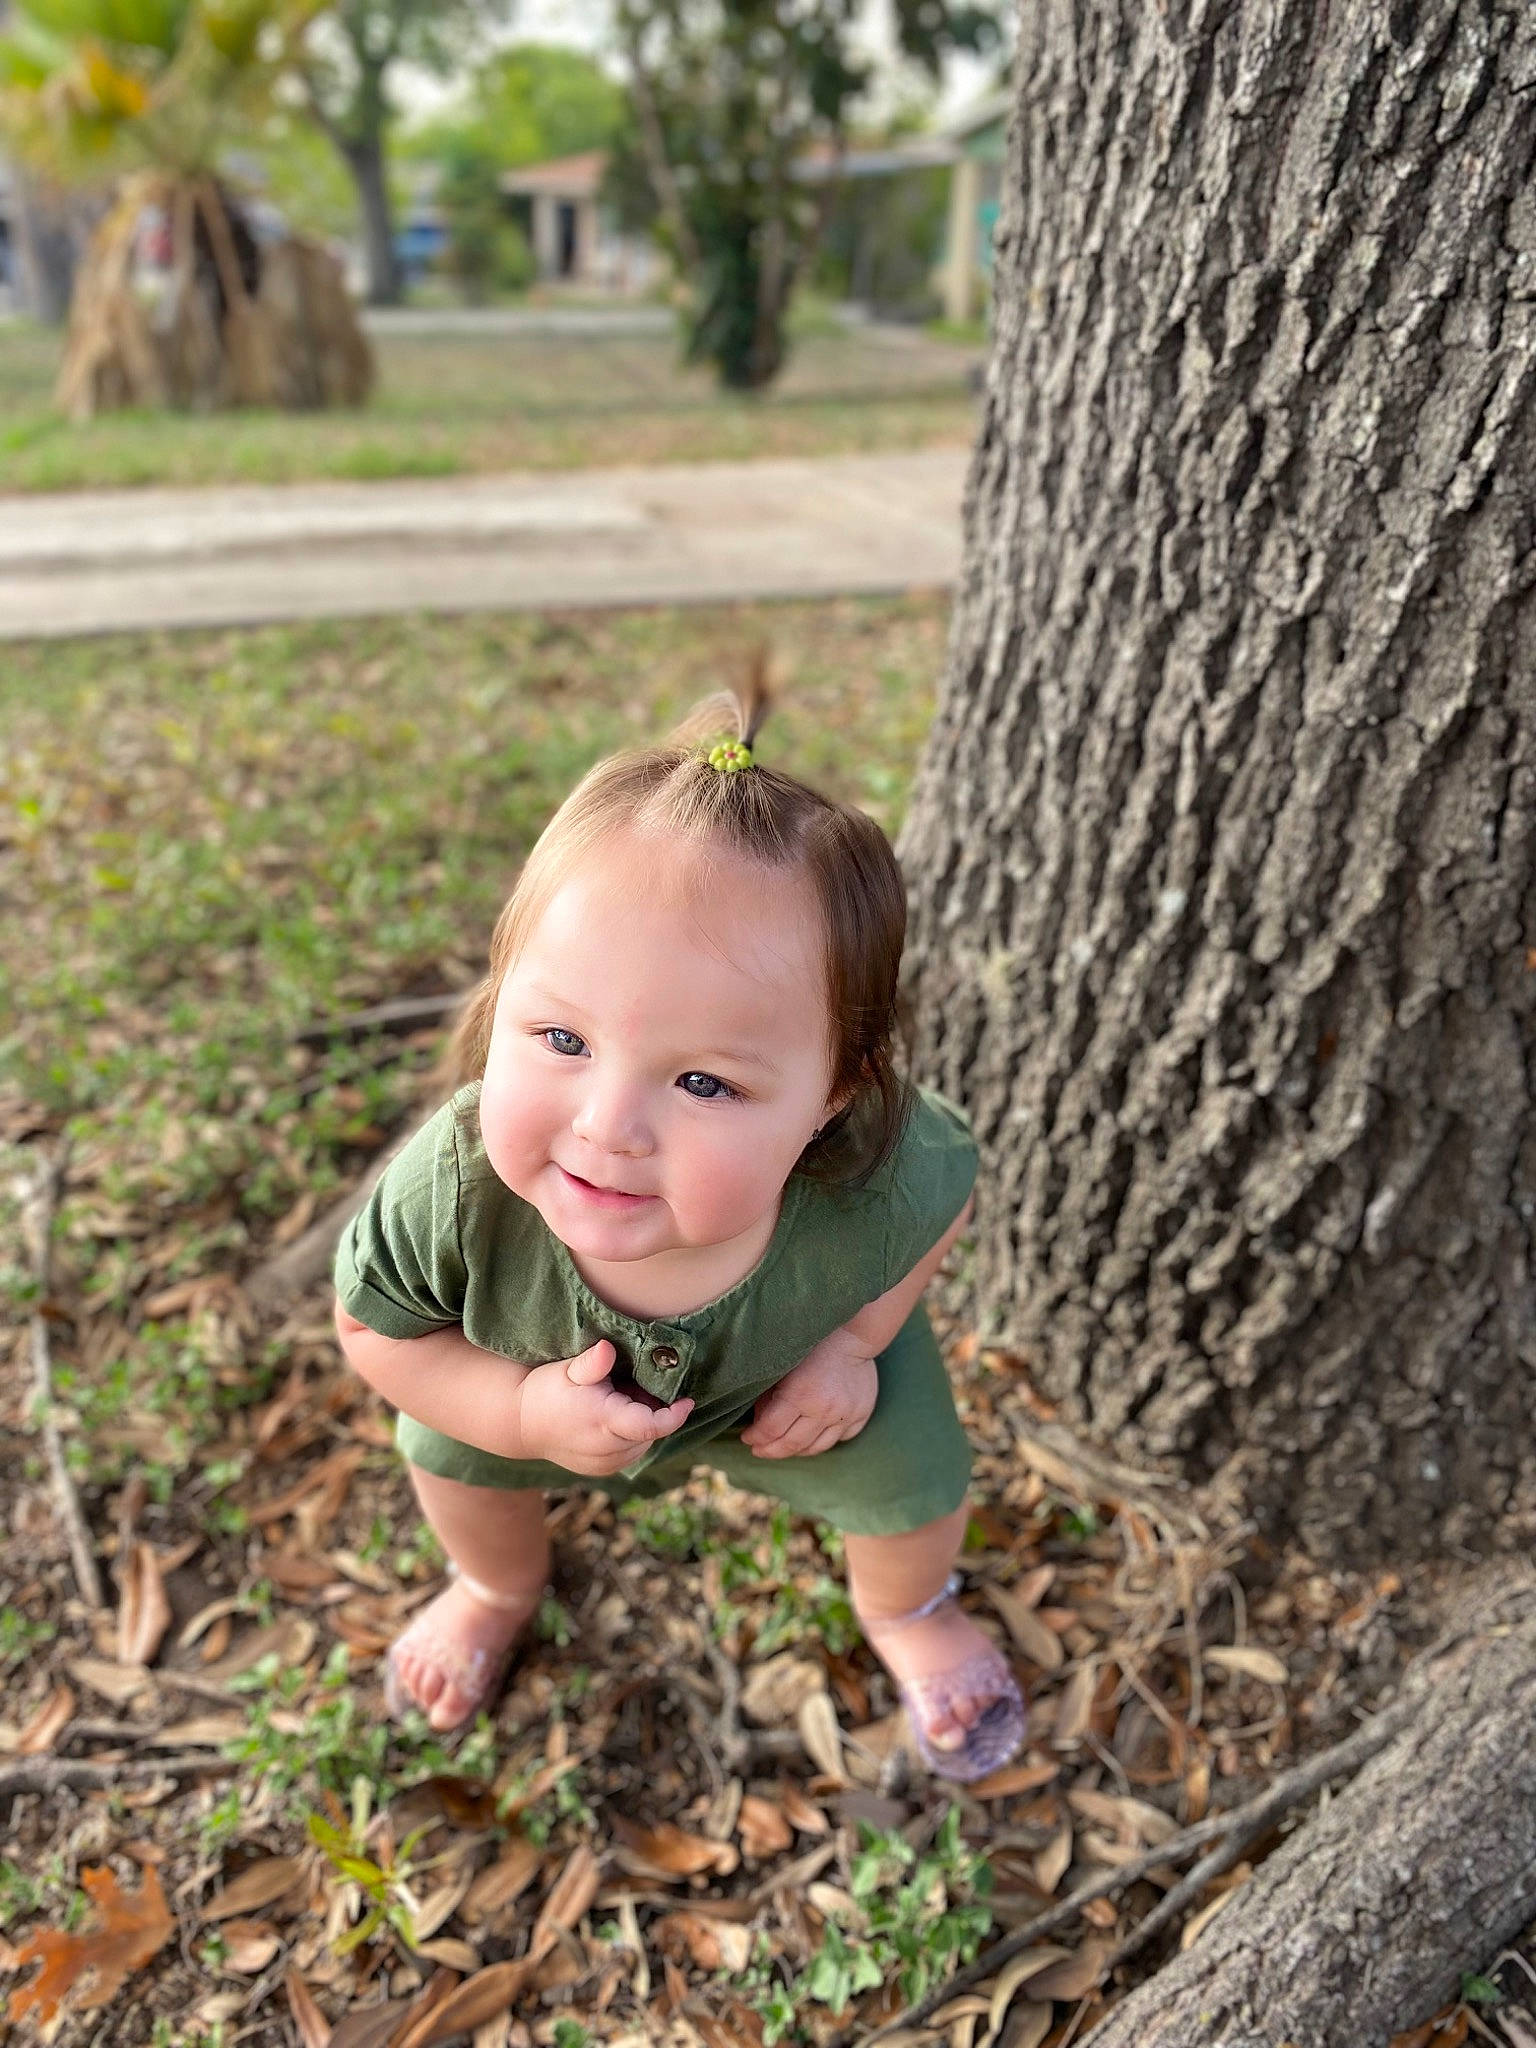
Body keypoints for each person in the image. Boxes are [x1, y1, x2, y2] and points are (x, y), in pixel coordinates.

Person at [332, 673, 1026, 1784]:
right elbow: (373, 1329)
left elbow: (952, 1190)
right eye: (562, 1039)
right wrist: (517, 1412)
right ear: (502, 999)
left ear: (832, 1097)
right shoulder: (452, 1190)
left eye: (703, 1081)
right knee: (450, 1453)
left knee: (914, 1468)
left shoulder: (871, 1165)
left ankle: (909, 1611)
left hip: (794, 1382)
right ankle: (495, 1586)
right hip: (521, 1384)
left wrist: (855, 1344)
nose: (608, 1127)